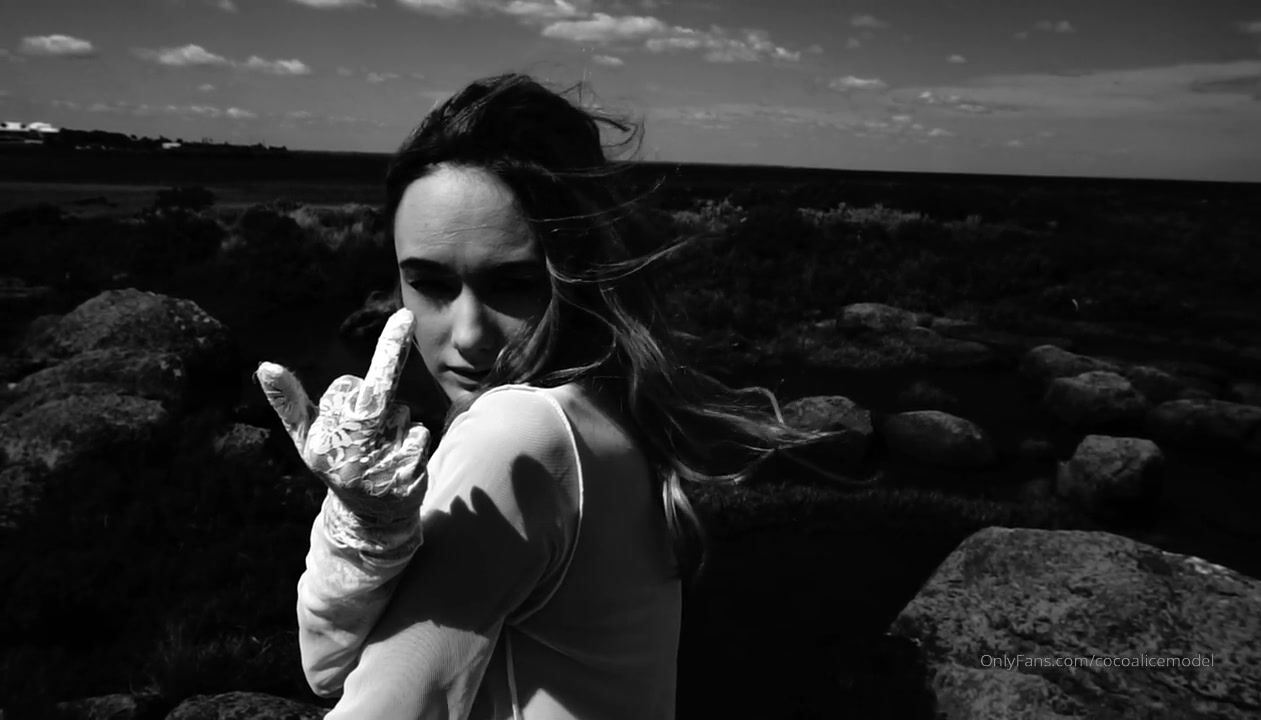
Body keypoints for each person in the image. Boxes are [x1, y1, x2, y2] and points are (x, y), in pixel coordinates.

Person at [255, 73, 833, 720]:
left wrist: (361, 534)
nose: (468, 335)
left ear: (576, 275)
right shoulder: (608, 408)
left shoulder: (518, 433)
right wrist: (365, 525)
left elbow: (343, 682)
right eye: (430, 284)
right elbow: (333, 666)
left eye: (513, 284)